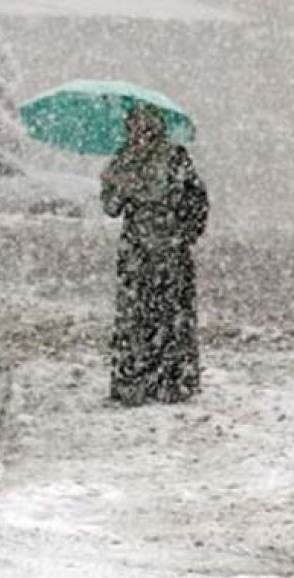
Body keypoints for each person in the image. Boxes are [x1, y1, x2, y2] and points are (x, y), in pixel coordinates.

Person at [101, 105, 209, 407]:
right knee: (137, 315)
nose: (141, 133)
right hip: (136, 251)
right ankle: (135, 381)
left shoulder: (175, 158)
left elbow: (196, 200)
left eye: (147, 126)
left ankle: (172, 381)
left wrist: (181, 232)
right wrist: (115, 186)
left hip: (170, 249)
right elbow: (110, 208)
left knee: (171, 314)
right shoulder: (123, 161)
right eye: (136, 126)